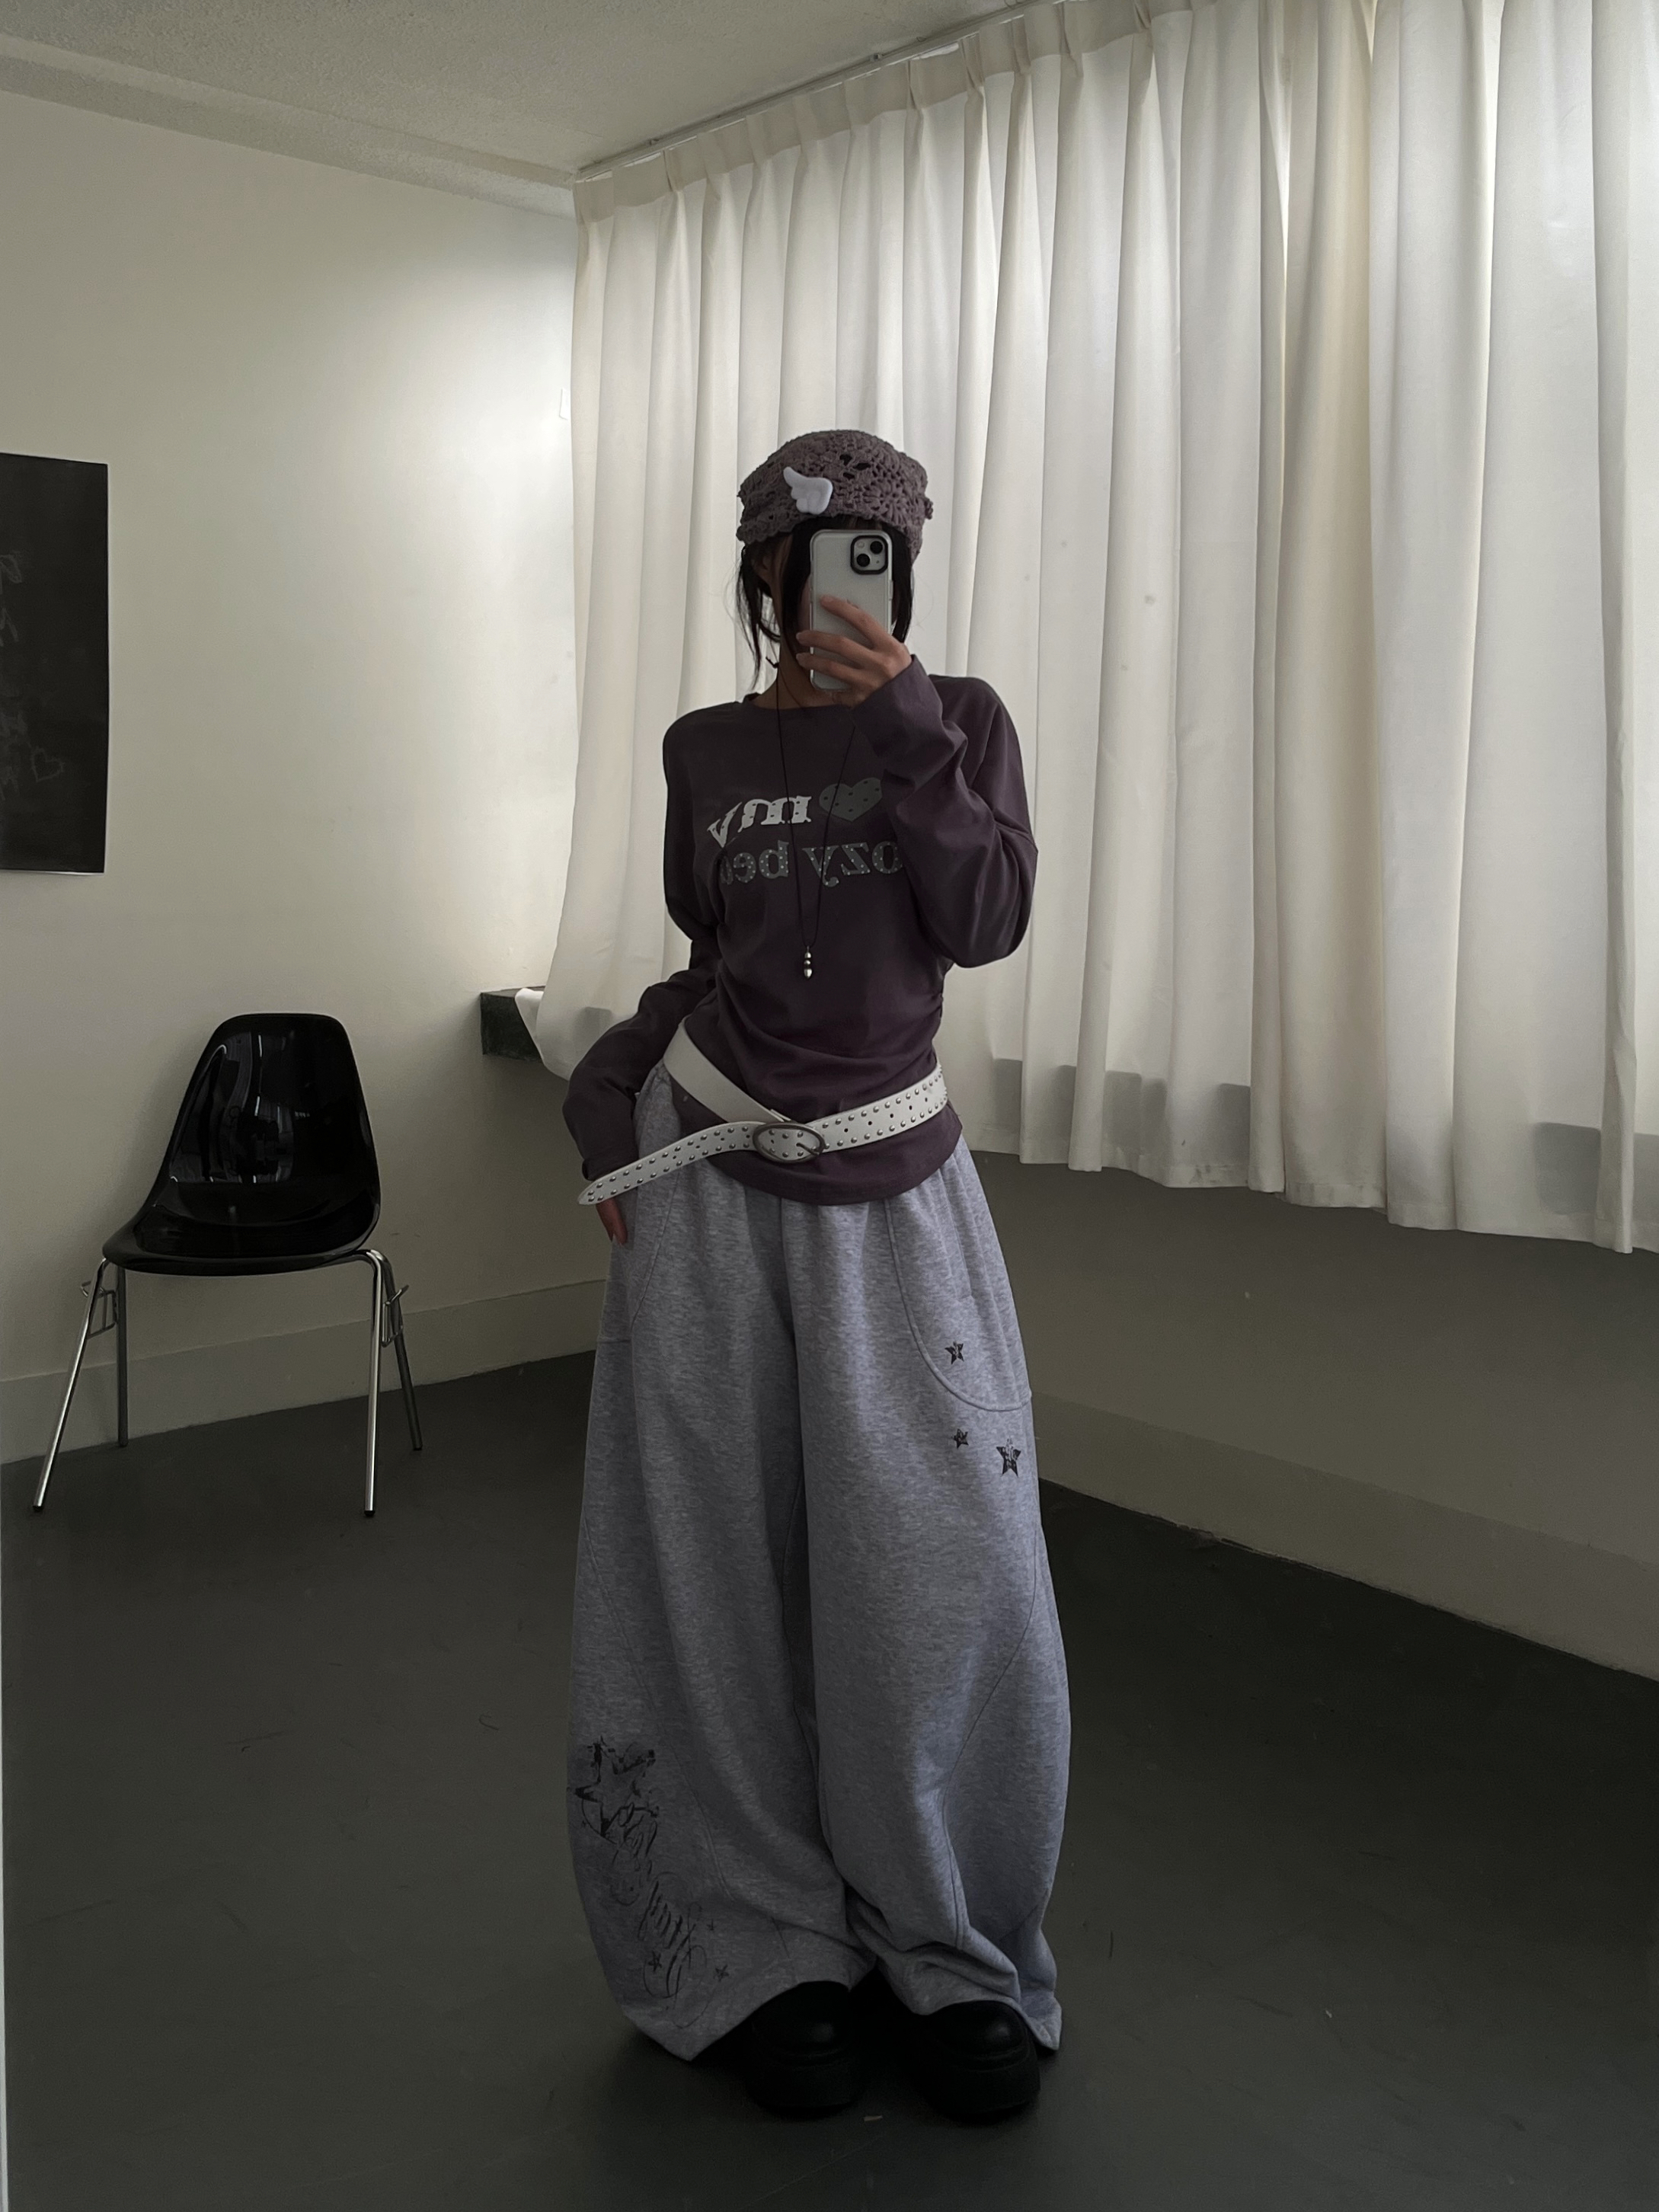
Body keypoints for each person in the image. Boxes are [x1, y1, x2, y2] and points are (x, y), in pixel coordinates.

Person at [561, 429, 1070, 2124]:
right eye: (813, 553)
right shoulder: (701, 748)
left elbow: (984, 918)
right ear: (762, 570)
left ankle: (948, 1942)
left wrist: (905, 719)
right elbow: (712, 957)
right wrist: (610, 1082)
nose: (843, 580)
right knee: (708, 1568)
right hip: (702, 1173)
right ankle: (758, 1939)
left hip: (898, 1187)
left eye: (875, 553)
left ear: (902, 570)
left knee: (938, 1571)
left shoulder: (959, 718)